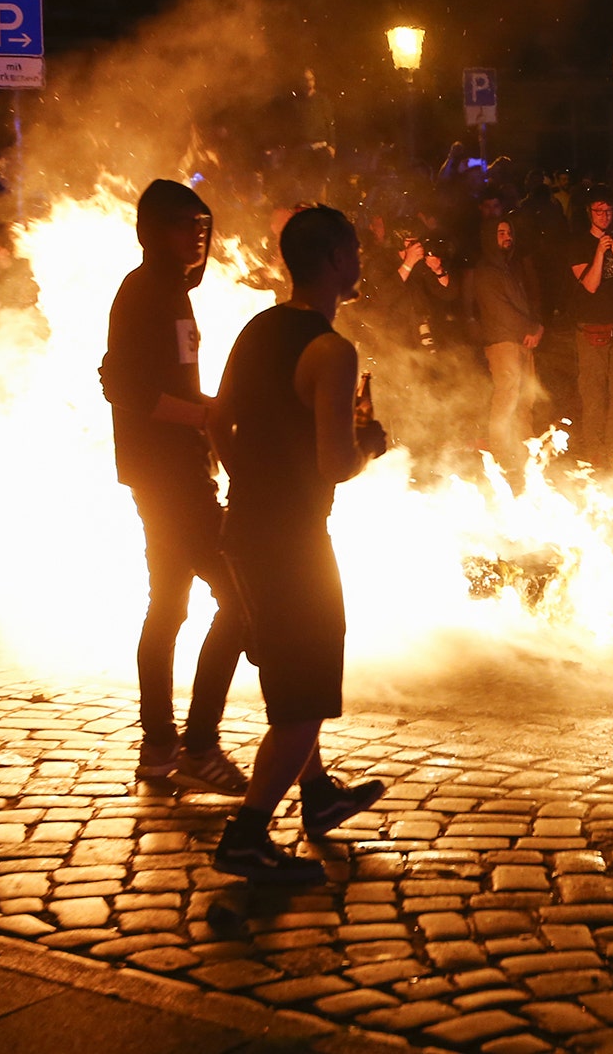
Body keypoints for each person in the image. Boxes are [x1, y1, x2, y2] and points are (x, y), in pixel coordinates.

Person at [209, 205, 388, 884]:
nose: (360, 258)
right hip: (291, 542)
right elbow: (335, 462)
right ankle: (247, 836)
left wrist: (245, 479)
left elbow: (217, 420)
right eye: (355, 248)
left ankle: (317, 797)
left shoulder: (258, 329)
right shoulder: (333, 350)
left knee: (290, 677)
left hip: (244, 527)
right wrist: (369, 443)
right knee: (305, 693)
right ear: (337, 260)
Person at [98, 180, 251, 796]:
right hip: (166, 476)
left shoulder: (172, 294)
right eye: (185, 224)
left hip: (177, 470)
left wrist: (215, 420)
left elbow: (174, 386)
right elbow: (128, 390)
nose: (198, 235)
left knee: (167, 608)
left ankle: (159, 746)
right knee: (240, 602)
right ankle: (199, 745)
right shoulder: (143, 294)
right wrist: (207, 418)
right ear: (154, 230)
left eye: (202, 223)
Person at [464, 214, 543, 474]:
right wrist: (529, 328)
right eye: (500, 233)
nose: (507, 237)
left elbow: (526, 302)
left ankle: (523, 450)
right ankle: (500, 452)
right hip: (502, 341)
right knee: (507, 396)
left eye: (509, 232)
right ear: (489, 237)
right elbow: (499, 310)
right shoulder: (486, 270)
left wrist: (535, 326)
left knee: (525, 396)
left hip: (522, 340)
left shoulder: (510, 267)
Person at [568, 190, 613, 461]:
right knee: (594, 393)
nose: (604, 216)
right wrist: (599, 251)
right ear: (590, 213)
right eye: (599, 211)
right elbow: (590, 284)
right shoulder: (578, 243)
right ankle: (595, 451)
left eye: (608, 211)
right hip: (592, 328)